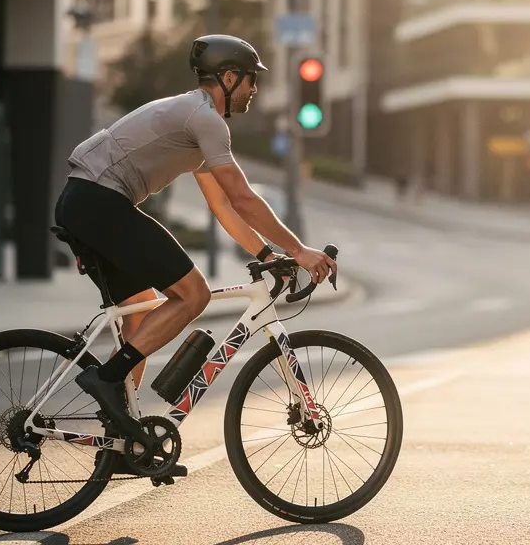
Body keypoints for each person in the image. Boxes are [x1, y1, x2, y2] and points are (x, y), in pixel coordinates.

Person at [53, 34, 337, 472]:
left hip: (88, 201)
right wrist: (298, 251)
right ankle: (108, 380)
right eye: (249, 81)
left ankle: (121, 443)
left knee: (139, 312)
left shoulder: (193, 117)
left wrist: (265, 251)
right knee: (193, 294)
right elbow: (243, 197)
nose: (253, 90)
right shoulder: (205, 118)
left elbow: (222, 204)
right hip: (98, 200)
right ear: (227, 77)